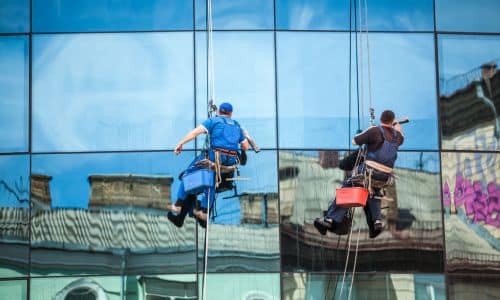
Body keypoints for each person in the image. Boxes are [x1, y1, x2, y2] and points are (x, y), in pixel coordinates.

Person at [314, 110, 404, 238]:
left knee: (347, 189)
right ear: (392, 121)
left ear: (381, 120)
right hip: (384, 176)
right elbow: (400, 135)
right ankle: (377, 221)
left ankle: (329, 219)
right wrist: (397, 128)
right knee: (374, 192)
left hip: (368, 171)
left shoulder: (375, 131)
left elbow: (355, 141)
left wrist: (368, 132)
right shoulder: (398, 137)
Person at [167, 102, 249, 228]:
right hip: (229, 163)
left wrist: (180, 143)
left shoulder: (213, 121)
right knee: (210, 182)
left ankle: (177, 205)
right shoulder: (237, 125)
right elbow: (245, 146)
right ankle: (204, 212)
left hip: (216, 158)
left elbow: (195, 133)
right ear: (231, 114)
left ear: (219, 112)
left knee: (187, 174)